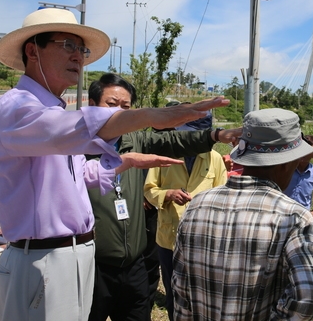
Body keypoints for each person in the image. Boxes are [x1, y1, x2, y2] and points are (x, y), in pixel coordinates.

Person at [0, 7, 229, 321]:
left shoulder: (51, 110)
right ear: (33, 50)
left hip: (69, 256)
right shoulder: (17, 108)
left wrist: (124, 162)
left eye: (81, 49)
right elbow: (73, 131)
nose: (78, 57)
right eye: (67, 46)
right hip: (44, 260)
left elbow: (74, 175)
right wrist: (151, 115)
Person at [87, 73, 241, 321]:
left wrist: (214, 136)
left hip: (134, 265)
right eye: (111, 104)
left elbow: (172, 139)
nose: (118, 112)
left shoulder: (134, 140)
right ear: (92, 106)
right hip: (91, 267)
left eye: (125, 107)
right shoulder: (74, 148)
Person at [173, 108, 313, 320]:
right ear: (286, 164)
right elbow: (312, 298)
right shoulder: (293, 217)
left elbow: (181, 288)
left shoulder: (197, 205)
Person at [144, 112, 227, 321]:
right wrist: (167, 194)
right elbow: (149, 190)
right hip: (169, 239)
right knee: (174, 294)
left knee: (203, 295)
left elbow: (224, 196)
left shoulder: (214, 159)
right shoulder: (165, 154)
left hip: (204, 240)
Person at [283, 135, 313, 219]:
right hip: (281, 213)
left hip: (302, 218)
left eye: (308, 150)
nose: (303, 152)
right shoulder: (286, 167)